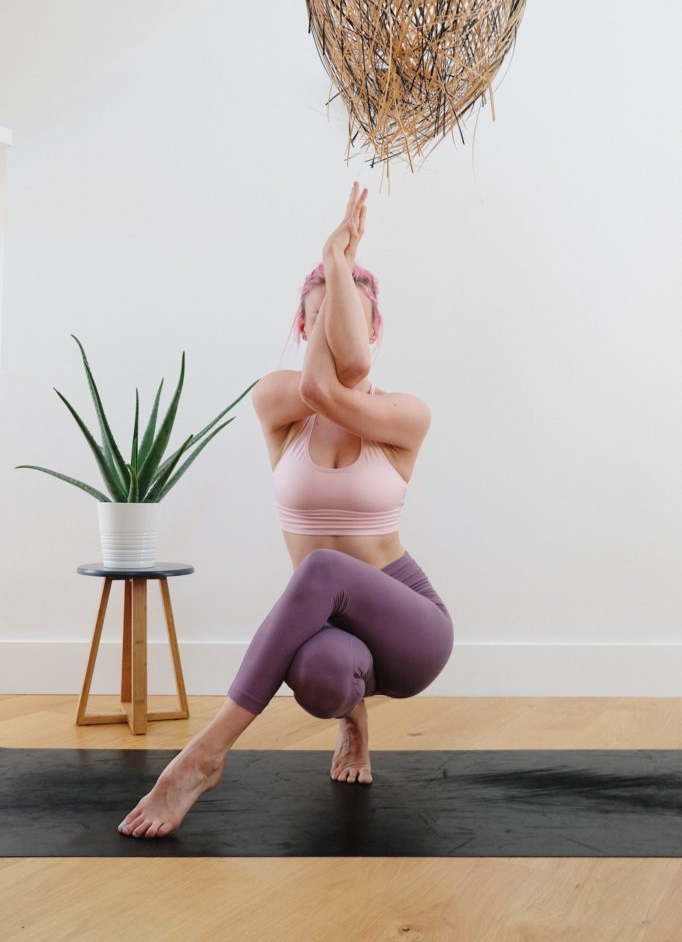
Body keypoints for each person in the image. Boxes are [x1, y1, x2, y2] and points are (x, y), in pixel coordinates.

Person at [117, 182, 454, 839]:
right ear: (303, 328)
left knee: (324, 566)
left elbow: (339, 375)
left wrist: (335, 263)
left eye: (347, 315)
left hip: (412, 628)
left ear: (373, 327)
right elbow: (314, 385)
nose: (333, 327)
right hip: (332, 634)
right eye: (319, 317)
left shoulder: (403, 416)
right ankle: (350, 719)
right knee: (321, 675)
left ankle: (203, 756)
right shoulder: (277, 402)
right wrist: (335, 275)